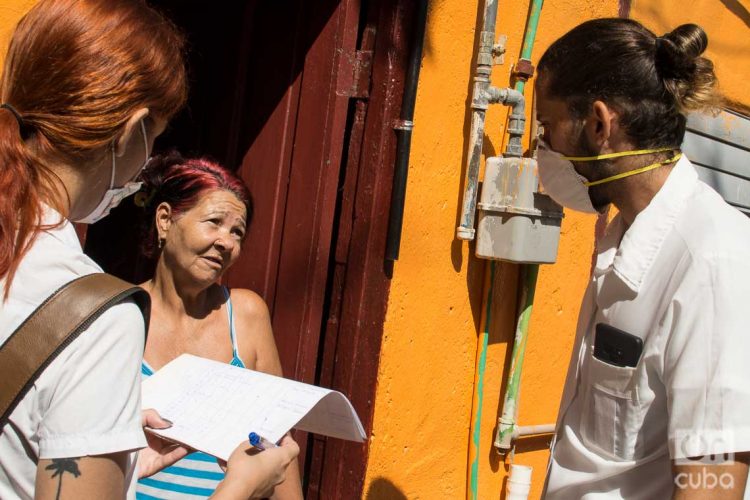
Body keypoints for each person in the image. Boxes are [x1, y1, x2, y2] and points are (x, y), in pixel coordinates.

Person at [0, 1, 297, 499]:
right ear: (132, 132)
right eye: (154, 138)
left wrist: (119, 460)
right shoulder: (96, 315)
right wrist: (239, 491)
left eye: (238, 231)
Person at [534, 19, 750, 499]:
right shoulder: (626, 233)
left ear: (598, 123)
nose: (542, 149)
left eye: (547, 127)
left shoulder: (711, 261)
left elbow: (712, 484)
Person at [133, 152, 304, 499]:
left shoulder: (245, 315)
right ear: (165, 220)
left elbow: (279, 442)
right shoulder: (119, 312)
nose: (227, 241)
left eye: (237, 232)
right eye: (213, 222)